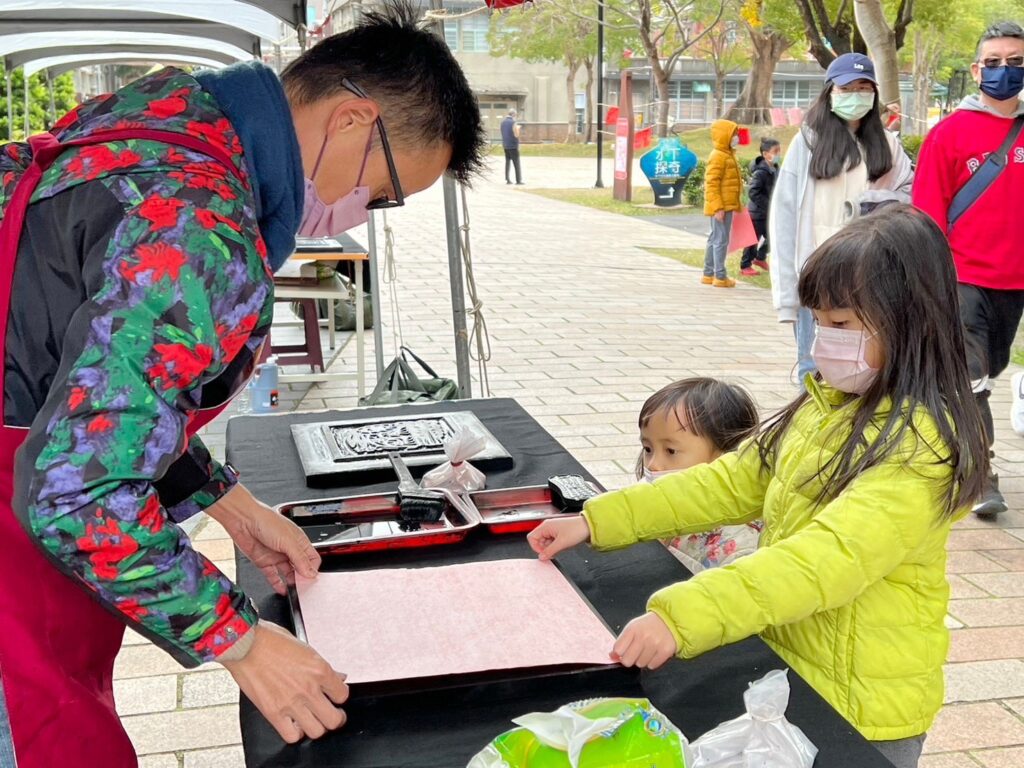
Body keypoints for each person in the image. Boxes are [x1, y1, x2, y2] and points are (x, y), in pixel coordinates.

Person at [0, 2, 486, 766]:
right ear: (355, 120)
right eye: (384, 193)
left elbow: (91, 373)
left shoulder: (171, 108)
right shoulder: (199, 221)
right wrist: (239, 639)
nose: (366, 212)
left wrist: (226, 500)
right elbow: (77, 491)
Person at [529, 206, 988, 768]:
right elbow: (727, 482)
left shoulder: (920, 447)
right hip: (796, 670)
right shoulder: (830, 405)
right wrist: (597, 519)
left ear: (908, 322)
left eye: (842, 324)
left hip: (864, 706)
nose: (824, 340)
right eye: (818, 320)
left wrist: (682, 616)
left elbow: (823, 562)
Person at [913, 21, 1024, 518]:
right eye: (995, 62)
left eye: (1016, 62)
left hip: (1015, 283)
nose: (1005, 70)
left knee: (994, 369)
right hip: (962, 278)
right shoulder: (949, 134)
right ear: (978, 70)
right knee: (972, 376)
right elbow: (926, 212)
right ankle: (981, 476)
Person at [769, 52, 913, 386]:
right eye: (847, 87)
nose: (856, 95)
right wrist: (787, 295)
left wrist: (882, 201)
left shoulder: (888, 145)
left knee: (867, 365)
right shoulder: (809, 141)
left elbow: (907, 197)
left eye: (865, 87)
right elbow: (786, 213)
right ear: (830, 92)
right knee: (813, 364)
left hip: (870, 275)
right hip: (818, 274)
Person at [636, 377, 762, 573]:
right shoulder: (648, 494)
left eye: (670, 451)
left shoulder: (738, 546)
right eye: (648, 448)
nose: (653, 465)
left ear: (726, 458)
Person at [702, 118, 743, 288]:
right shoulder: (719, 156)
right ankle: (720, 276)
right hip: (721, 207)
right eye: (734, 134)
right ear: (725, 136)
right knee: (721, 240)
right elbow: (711, 183)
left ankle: (708, 273)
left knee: (714, 238)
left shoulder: (726, 154)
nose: (736, 138)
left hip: (724, 205)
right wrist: (718, 207)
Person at [740, 137, 780, 276]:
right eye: (775, 151)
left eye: (779, 151)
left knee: (773, 236)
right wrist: (768, 205)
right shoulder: (760, 172)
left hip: (769, 212)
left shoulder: (775, 169)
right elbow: (753, 192)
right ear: (765, 154)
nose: (778, 154)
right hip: (757, 213)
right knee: (753, 240)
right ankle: (745, 266)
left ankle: (760, 258)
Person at [501, 108, 523, 185]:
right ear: (513, 114)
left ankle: (507, 179)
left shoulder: (502, 123)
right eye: (515, 115)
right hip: (513, 146)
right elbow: (516, 135)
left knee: (507, 162)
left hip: (505, 145)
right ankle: (518, 180)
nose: (515, 116)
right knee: (516, 163)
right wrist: (518, 129)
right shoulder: (514, 123)